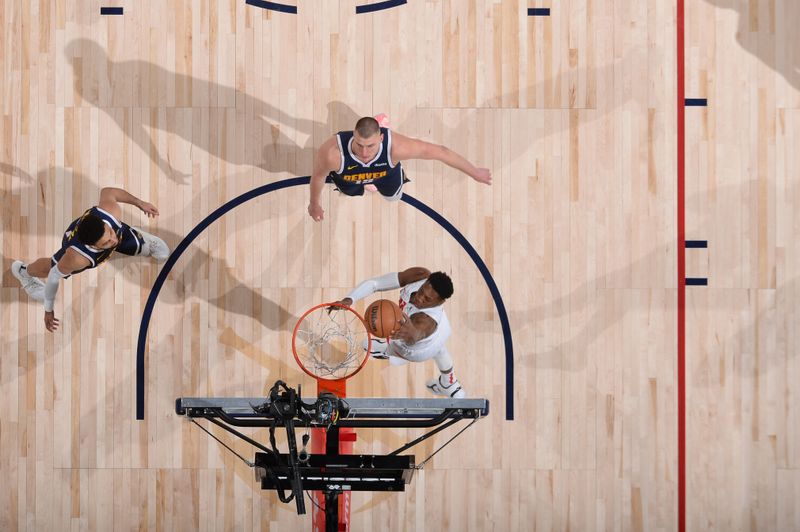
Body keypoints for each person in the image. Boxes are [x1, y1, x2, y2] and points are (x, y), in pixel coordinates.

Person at [11, 187, 170, 332]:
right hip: (73, 247)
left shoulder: (110, 212)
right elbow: (53, 276)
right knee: (48, 267)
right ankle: (23, 271)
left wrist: (140, 203)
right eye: (106, 242)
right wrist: (48, 309)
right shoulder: (77, 259)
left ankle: (141, 240)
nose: (113, 240)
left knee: (125, 236)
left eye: (110, 234)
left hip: (95, 231)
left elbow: (108, 192)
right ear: (93, 245)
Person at [307, 116, 492, 221]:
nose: (364, 153)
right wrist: (314, 204)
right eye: (359, 144)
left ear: (380, 139)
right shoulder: (333, 154)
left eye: (370, 146)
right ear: (353, 136)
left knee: (393, 197)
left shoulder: (396, 148)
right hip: (350, 177)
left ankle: (381, 126)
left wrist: (474, 172)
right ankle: (367, 183)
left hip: (386, 175)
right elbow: (317, 177)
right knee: (351, 192)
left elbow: (440, 152)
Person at [334, 267, 466, 398]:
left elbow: (417, 335)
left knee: (377, 343)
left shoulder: (425, 321)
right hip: (443, 327)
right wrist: (350, 299)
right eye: (421, 292)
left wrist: (412, 334)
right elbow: (375, 284)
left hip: (418, 350)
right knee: (440, 349)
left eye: (427, 299)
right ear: (426, 281)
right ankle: (449, 384)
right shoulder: (420, 275)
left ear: (440, 301)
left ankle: (388, 351)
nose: (420, 298)